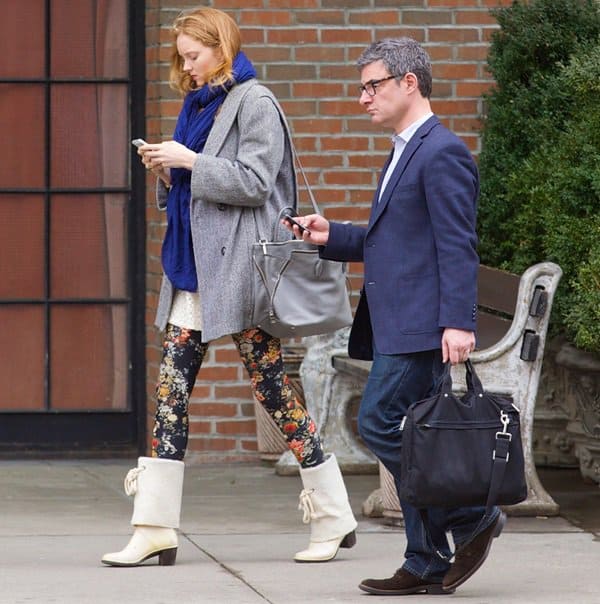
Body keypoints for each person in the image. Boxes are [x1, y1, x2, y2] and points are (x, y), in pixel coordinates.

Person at [101, 6, 356, 568]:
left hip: (238, 274)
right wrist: (169, 172)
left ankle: (334, 516)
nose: (186, 68)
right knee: (171, 396)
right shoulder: (197, 102)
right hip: (191, 271)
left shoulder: (255, 101)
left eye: (194, 56)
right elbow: (196, 186)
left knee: (271, 390)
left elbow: (258, 182)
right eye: (182, 58)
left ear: (221, 47)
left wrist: (190, 159)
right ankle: (154, 527)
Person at [284, 37, 505, 595]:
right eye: (362, 88)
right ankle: (425, 559)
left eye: (372, 85)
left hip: (420, 324)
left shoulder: (442, 151)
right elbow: (395, 239)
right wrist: (331, 234)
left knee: (379, 422)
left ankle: (469, 518)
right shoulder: (405, 148)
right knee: (414, 434)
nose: (363, 98)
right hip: (397, 322)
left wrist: (458, 321)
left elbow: (458, 245)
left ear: (410, 83)